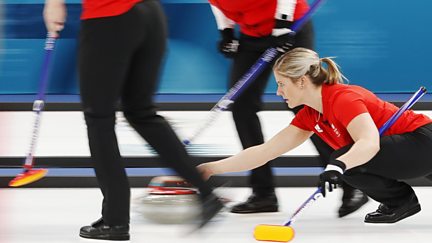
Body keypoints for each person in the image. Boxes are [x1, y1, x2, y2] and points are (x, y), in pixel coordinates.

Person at [43, 0, 223, 240]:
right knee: (141, 112)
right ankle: (206, 193)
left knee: (99, 117)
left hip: (109, 15)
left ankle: (115, 220)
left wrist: (54, 3)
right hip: (151, 15)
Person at [198, 47, 432, 224]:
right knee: (344, 158)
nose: (279, 92)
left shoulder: (343, 99)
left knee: (344, 157)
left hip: (422, 141)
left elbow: (369, 144)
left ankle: (401, 202)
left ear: (301, 81)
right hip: (411, 152)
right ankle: (398, 201)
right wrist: (212, 168)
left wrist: (337, 166)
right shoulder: (310, 116)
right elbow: (265, 152)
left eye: (282, 84)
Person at [208, 0, 368, 216]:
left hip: (291, 27)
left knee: (305, 109)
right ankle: (263, 194)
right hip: (252, 34)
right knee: (241, 106)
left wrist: (282, 24)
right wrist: (226, 32)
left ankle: (352, 185)